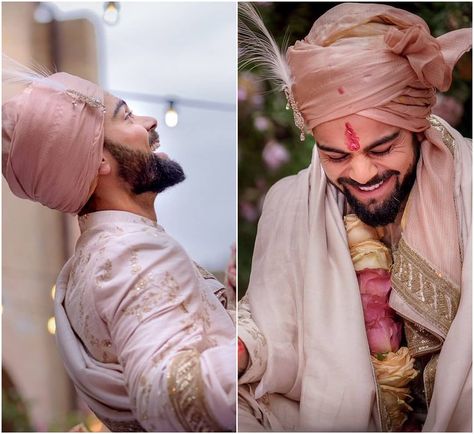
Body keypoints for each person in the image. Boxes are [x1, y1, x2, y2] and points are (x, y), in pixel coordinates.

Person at [238, 3, 471, 432]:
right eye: (336, 155)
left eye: (382, 149)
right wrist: (241, 346)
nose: (362, 174)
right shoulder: (290, 204)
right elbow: (271, 329)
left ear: (418, 125)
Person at [2, 66, 236, 431]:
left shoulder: (88, 263)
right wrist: (256, 348)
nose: (149, 122)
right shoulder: (133, 253)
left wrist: (229, 302)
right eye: (126, 116)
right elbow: (169, 393)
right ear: (99, 161)